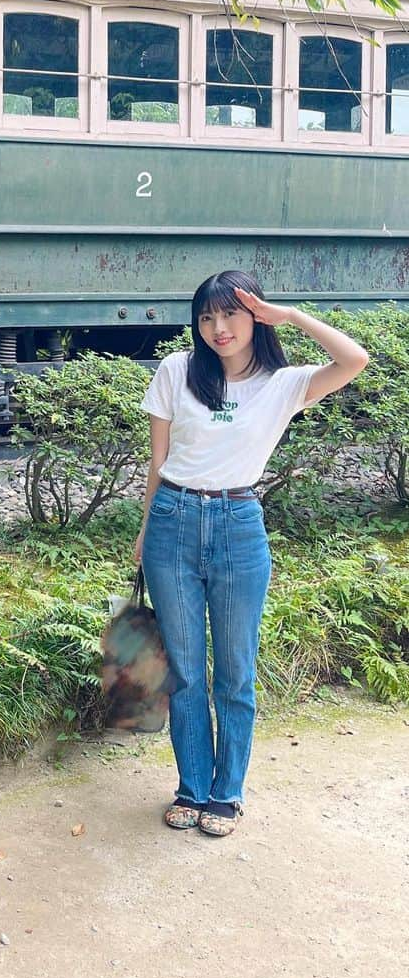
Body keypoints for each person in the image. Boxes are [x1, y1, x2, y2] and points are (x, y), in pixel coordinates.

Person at [134, 270, 368, 837]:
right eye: (206, 317)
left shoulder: (283, 383)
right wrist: (144, 533)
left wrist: (289, 316)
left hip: (239, 525)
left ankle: (227, 794)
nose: (218, 328)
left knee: (234, 673)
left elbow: (354, 359)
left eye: (230, 315)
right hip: (173, 522)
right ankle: (191, 787)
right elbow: (157, 462)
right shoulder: (176, 371)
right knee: (184, 672)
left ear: (254, 317)